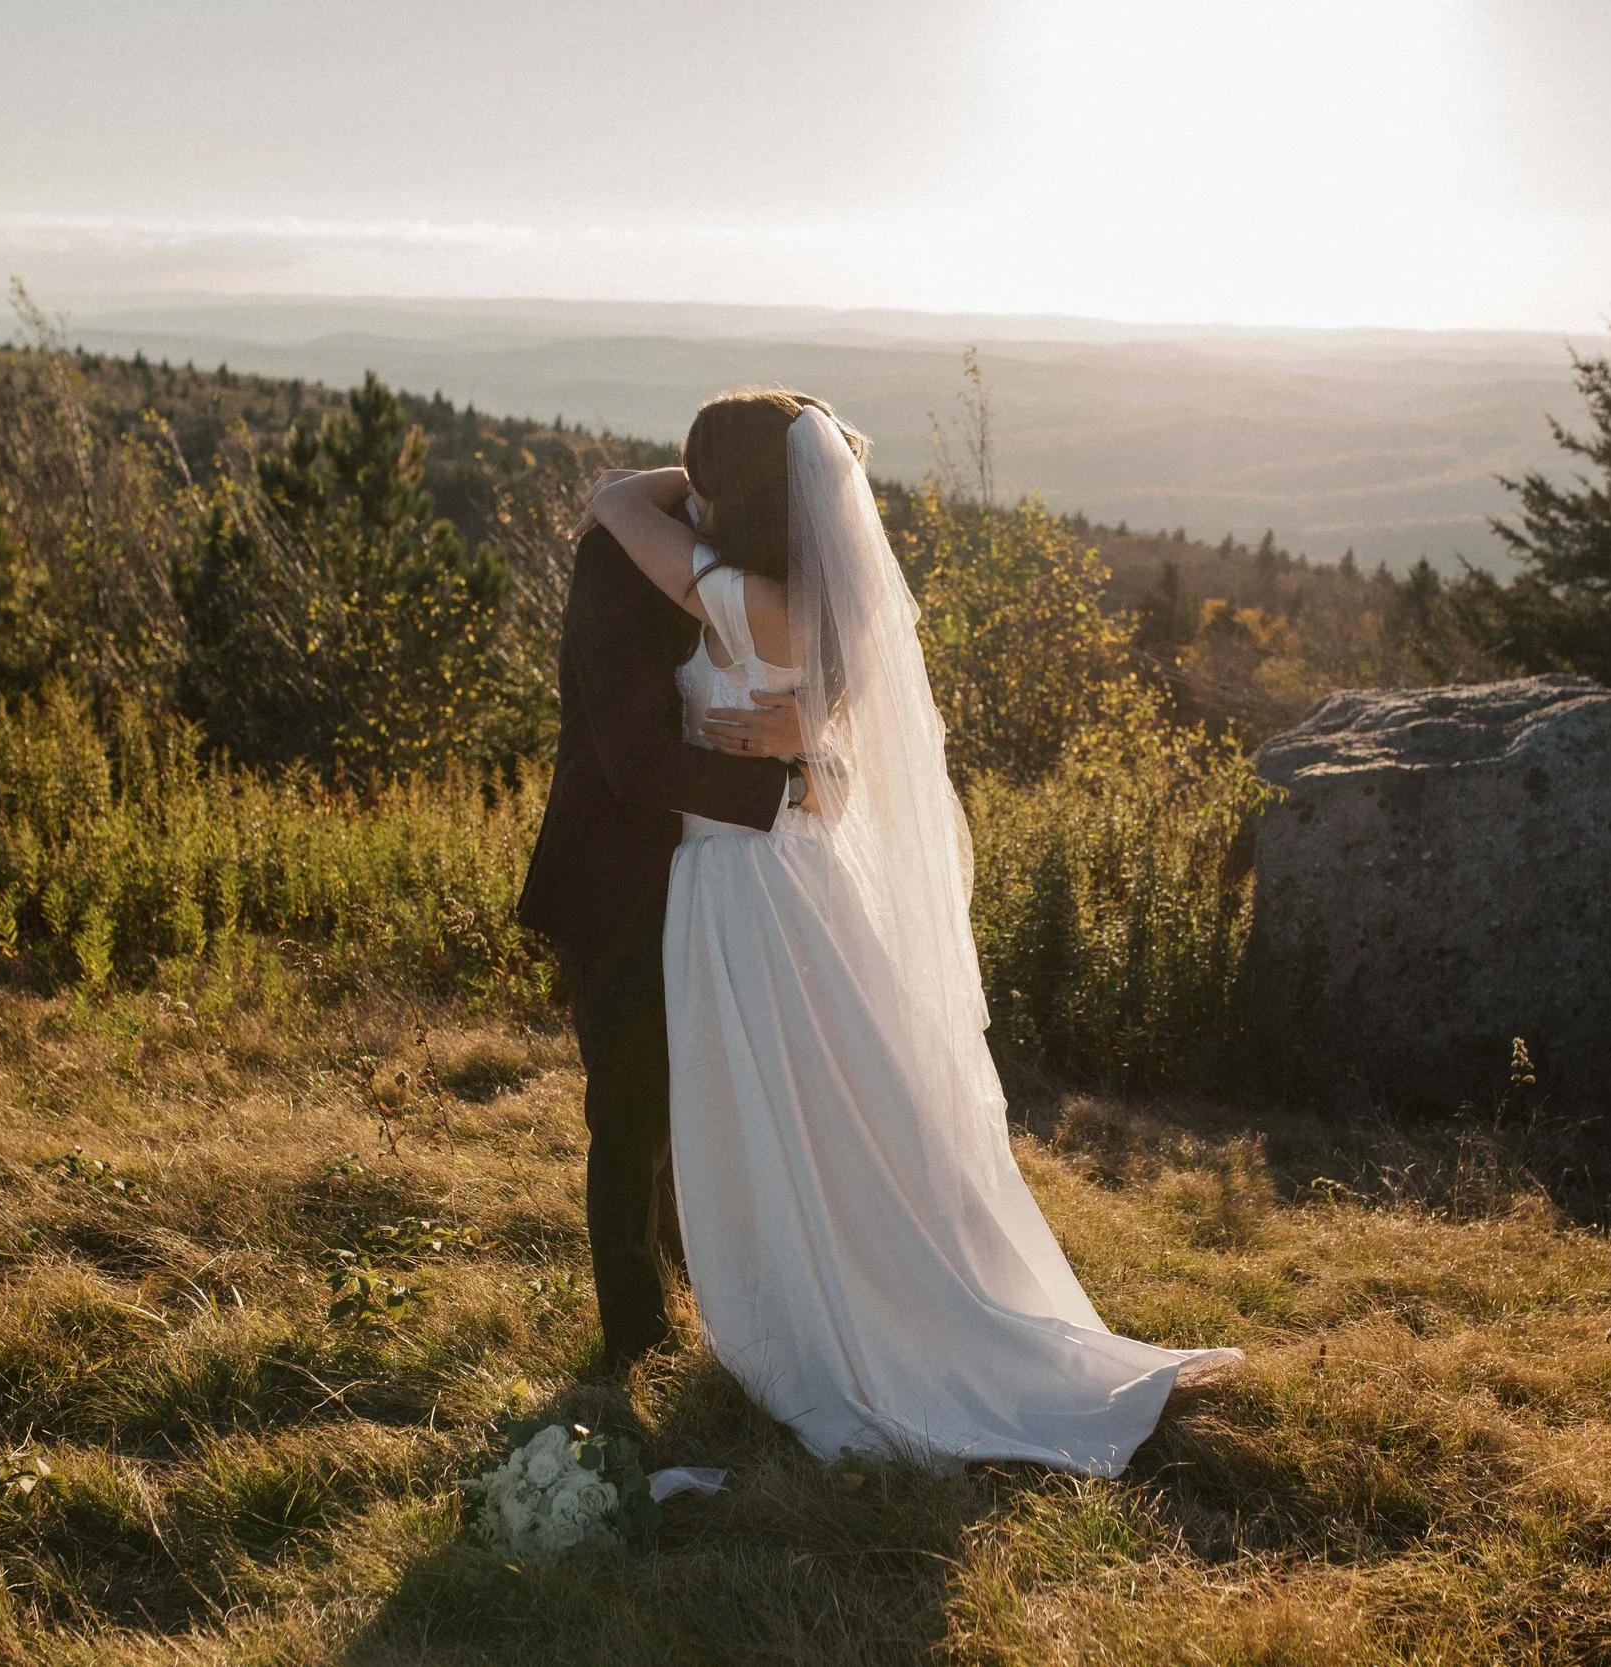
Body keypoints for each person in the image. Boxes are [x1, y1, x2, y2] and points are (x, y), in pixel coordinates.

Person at [574, 387, 1236, 1478]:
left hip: (739, 887)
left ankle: (810, 1310)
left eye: (706, 480)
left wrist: (675, 477)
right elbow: (839, 778)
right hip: (804, 872)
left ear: (727, 495)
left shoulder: (734, 597)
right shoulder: (831, 610)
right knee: (830, 1096)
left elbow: (611, 499)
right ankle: (849, 1274)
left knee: (765, 1100)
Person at [514, 480, 811, 1371]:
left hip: (720, 883)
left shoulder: (767, 561)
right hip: (617, 874)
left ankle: (702, 1293)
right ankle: (633, 1345)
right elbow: (632, 758)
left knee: (700, 1109)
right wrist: (785, 784)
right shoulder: (614, 557)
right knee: (630, 1111)